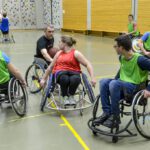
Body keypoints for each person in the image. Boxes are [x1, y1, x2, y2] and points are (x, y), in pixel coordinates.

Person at [93, 35, 150, 128]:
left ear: (122, 48)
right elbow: (122, 71)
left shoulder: (140, 60)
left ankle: (115, 117)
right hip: (122, 85)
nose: (114, 48)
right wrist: (112, 83)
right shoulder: (122, 58)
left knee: (114, 83)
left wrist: (148, 89)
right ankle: (107, 113)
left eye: (115, 46)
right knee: (103, 81)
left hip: (135, 88)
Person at [40, 35, 96, 106]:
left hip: (74, 72)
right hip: (60, 73)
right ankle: (65, 96)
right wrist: (43, 79)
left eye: (60, 42)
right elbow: (50, 67)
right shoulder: (58, 53)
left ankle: (71, 96)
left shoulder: (76, 53)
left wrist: (92, 77)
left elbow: (88, 64)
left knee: (75, 79)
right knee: (64, 78)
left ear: (65, 43)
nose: (58, 44)